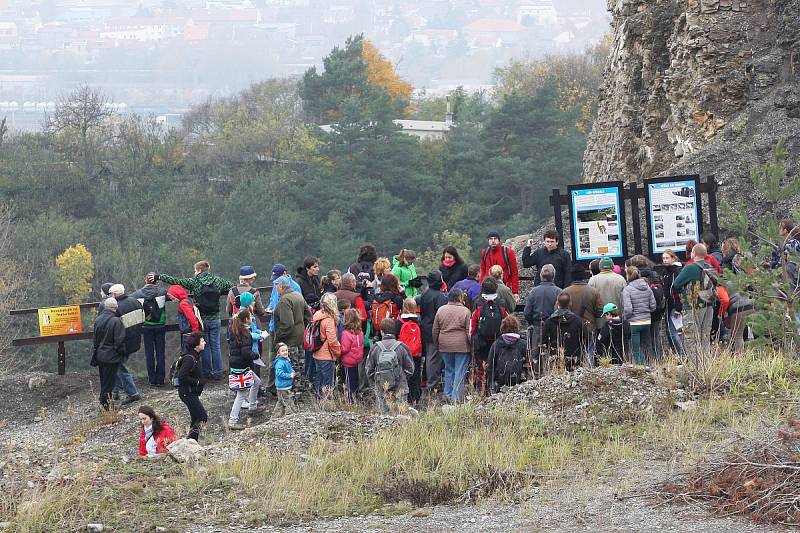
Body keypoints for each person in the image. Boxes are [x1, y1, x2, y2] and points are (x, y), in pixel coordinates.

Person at [150, 262, 235, 381]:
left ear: (199, 270)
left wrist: (159, 276)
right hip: (215, 318)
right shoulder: (217, 280)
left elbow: (176, 281)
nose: (194, 272)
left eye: (195, 270)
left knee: (205, 346)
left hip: (201, 319)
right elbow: (231, 286)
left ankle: (207, 372)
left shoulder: (195, 282)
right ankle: (218, 372)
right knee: (216, 346)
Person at [672, 244, 718, 359]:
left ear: (694, 254)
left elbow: (676, 284)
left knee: (691, 337)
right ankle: (706, 364)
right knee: (705, 336)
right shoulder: (710, 267)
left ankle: (694, 366)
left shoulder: (690, 268)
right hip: (709, 305)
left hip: (693, 306)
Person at [227, 308, 265, 430]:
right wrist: (256, 356)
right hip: (242, 366)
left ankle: (252, 407)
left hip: (237, 365)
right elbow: (246, 353)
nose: (252, 318)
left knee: (257, 382)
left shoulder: (235, 330)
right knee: (241, 394)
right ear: (246, 320)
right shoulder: (246, 334)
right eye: (250, 317)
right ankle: (232, 421)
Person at [366, 318, 415, 413]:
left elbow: (369, 371)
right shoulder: (402, 347)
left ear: (381, 331)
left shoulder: (375, 347)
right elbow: (411, 369)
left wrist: (377, 380)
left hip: (382, 388)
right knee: (401, 417)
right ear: (395, 331)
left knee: (383, 418)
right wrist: (402, 378)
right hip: (400, 388)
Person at [432, 288, 472, 402]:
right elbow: (469, 332)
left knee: (448, 370)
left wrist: (437, 344)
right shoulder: (466, 311)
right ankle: (456, 398)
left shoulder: (441, 310)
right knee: (460, 371)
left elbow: (435, 330)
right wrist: (471, 345)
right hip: (461, 345)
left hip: (444, 344)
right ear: (460, 298)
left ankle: (447, 394)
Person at [470, 277, 509, 393]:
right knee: (496, 363)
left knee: (482, 364)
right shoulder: (501, 302)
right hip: (497, 339)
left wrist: (472, 338)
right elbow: (506, 320)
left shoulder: (478, 302)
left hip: (481, 341)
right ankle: (495, 387)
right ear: (495, 288)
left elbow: (473, 324)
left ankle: (482, 388)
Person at [273, 275, 312, 390]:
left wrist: (279, 337)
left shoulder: (284, 300)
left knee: (291, 366)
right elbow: (308, 314)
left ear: (280, 286)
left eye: (276, 286)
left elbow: (287, 324)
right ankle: (302, 389)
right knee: (300, 364)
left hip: (289, 339)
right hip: (300, 336)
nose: (275, 289)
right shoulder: (298, 295)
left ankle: (294, 393)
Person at [523, 264, 562, 377]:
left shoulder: (533, 292)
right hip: (554, 327)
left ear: (541, 276)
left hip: (537, 326)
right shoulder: (559, 292)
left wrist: (531, 323)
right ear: (553, 276)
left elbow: (526, 312)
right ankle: (553, 375)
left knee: (536, 354)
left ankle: (538, 377)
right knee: (554, 352)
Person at [109, 284, 144, 405]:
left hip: (123, 342)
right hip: (135, 339)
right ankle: (115, 393)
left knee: (119, 367)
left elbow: (115, 327)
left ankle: (132, 393)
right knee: (118, 366)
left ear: (114, 294)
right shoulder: (136, 302)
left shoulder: (116, 307)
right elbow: (143, 319)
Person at [131, 276, 168, 387]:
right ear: (157, 282)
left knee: (149, 353)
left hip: (146, 327)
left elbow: (128, 298)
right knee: (160, 353)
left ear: (145, 281)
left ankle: (152, 379)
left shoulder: (138, 294)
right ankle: (160, 379)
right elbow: (172, 294)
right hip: (160, 326)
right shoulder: (162, 292)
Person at [561, 264, 602, 365]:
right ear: (584, 276)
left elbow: (558, 310)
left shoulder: (565, 292)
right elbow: (600, 311)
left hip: (571, 330)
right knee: (589, 353)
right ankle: (589, 375)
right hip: (590, 328)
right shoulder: (593, 291)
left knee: (572, 356)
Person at [629, 255, 666, 360]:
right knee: (655, 338)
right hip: (656, 312)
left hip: (641, 313)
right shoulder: (655, 274)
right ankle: (659, 360)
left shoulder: (634, 277)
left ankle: (648, 362)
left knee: (644, 341)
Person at [416, 271, 448, 394]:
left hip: (425, 327)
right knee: (433, 357)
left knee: (429, 356)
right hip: (435, 329)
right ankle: (432, 384)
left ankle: (427, 380)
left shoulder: (424, 294)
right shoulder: (439, 296)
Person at [92, 297, 126, 409]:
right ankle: (106, 406)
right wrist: (122, 353)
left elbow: (95, 340)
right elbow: (119, 341)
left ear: (105, 307)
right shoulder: (116, 321)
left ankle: (105, 404)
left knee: (104, 381)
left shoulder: (98, 319)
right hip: (111, 356)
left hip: (100, 355)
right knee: (109, 383)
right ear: (116, 308)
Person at [177, 331, 208, 442]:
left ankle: (192, 443)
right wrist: (197, 383)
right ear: (196, 344)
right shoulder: (190, 358)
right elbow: (182, 375)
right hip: (187, 393)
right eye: (202, 341)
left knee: (195, 417)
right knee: (203, 417)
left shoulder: (195, 356)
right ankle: (189, 440)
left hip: (190, 393)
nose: (205, 342)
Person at [622, 266, 656, 365]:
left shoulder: (627, 289)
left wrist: (625, 318)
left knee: (635, 349)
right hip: (647, 321)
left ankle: (641, 369)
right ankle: (651, 366)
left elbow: (628, 309)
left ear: (628, 275)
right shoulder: (647, 287)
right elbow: (653, 306)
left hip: (634, 323)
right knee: (647, 346)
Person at [487, 315, 528, 395]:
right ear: (517, 327)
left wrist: (490, 386)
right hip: (519, 381)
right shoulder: (523, 343)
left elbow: (490, 366)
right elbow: (530, 362)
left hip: (500, 381)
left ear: (502, 328)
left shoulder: (496, 344)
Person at [542, 293, 583, 372]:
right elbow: (584, 338)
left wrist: (550, 349)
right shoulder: (578, 321)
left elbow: (544, 340)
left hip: (555, 356)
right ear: (570, 303)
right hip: (574, 356)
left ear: (557, 303)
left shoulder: (549, 321)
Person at [312, 292, 341, 400]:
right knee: (328, 383)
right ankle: (327, 405)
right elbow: (332, 340)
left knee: (319, 380)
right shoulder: (329, 319)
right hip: (326, 355)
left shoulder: (317, 315)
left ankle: (318, 403)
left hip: (316, 353)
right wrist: (338, 352)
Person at [479, 231, 520, 299]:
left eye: (495, 238)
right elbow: (483, 271)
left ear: (499, 240)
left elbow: (514, 273)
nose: (493, 241)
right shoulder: (485, 252)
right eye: (491, 239)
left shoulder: (508, 252)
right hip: (488, 288)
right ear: (488, 241)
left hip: (504, 287)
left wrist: (515, 291)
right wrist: (481, 286)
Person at [397, 298, 423, 405]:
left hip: (403, 353)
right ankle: (415, 398)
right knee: (416, 375)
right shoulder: (418, 321)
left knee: (404, 375)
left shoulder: (399, 322)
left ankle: (405, 397)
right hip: (416, 354)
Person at [660, 250, 685, 357]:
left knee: (673, 331)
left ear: (673, 259)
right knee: (670, 331)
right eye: (664, 258)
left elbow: (677, 290)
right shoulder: (666, 272)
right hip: (668, 304)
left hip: (675, 305)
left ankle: (682, 355)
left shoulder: (677, 271)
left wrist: (679, 307)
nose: (665, 260)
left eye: (667, 258)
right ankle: (677, 354)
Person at [167, 285, 202, 352]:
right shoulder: (187, 300)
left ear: (176, 294)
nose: (171, 299)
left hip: (188, 333)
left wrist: (195, 332)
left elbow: (192, 318)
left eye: (172, 297)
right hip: (189, 332)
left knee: (187, 353)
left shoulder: (183, 304)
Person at [340, 309, 365, 403]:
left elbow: (344, 349)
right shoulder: (360, 333)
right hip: (357, 360)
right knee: (355, 381)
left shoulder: (346, 334)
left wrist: (338, 349)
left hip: (348, 362)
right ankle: (356, 398)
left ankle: (350, 400)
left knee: (348, 382)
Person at [722, 284, 754, 352]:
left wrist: (721, 315)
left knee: (737, 336)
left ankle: (739, 357)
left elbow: (725, 300)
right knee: (750, 333)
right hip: (751, 306)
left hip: (738, 308)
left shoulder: (722, 284)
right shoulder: (737, 280)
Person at [272, 342, 297, 417]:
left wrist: (292, 371)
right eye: (283, 351)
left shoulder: (286, 360)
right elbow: (279, 373)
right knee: (287, 401)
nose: (285, 352)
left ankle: (276, 416)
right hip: (282, 386)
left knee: (281, 402)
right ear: (278, 353)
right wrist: (290, 375)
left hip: (285, 385)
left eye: (286, 350)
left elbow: (289, 369)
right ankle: (290, 415)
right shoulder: (280, 362)